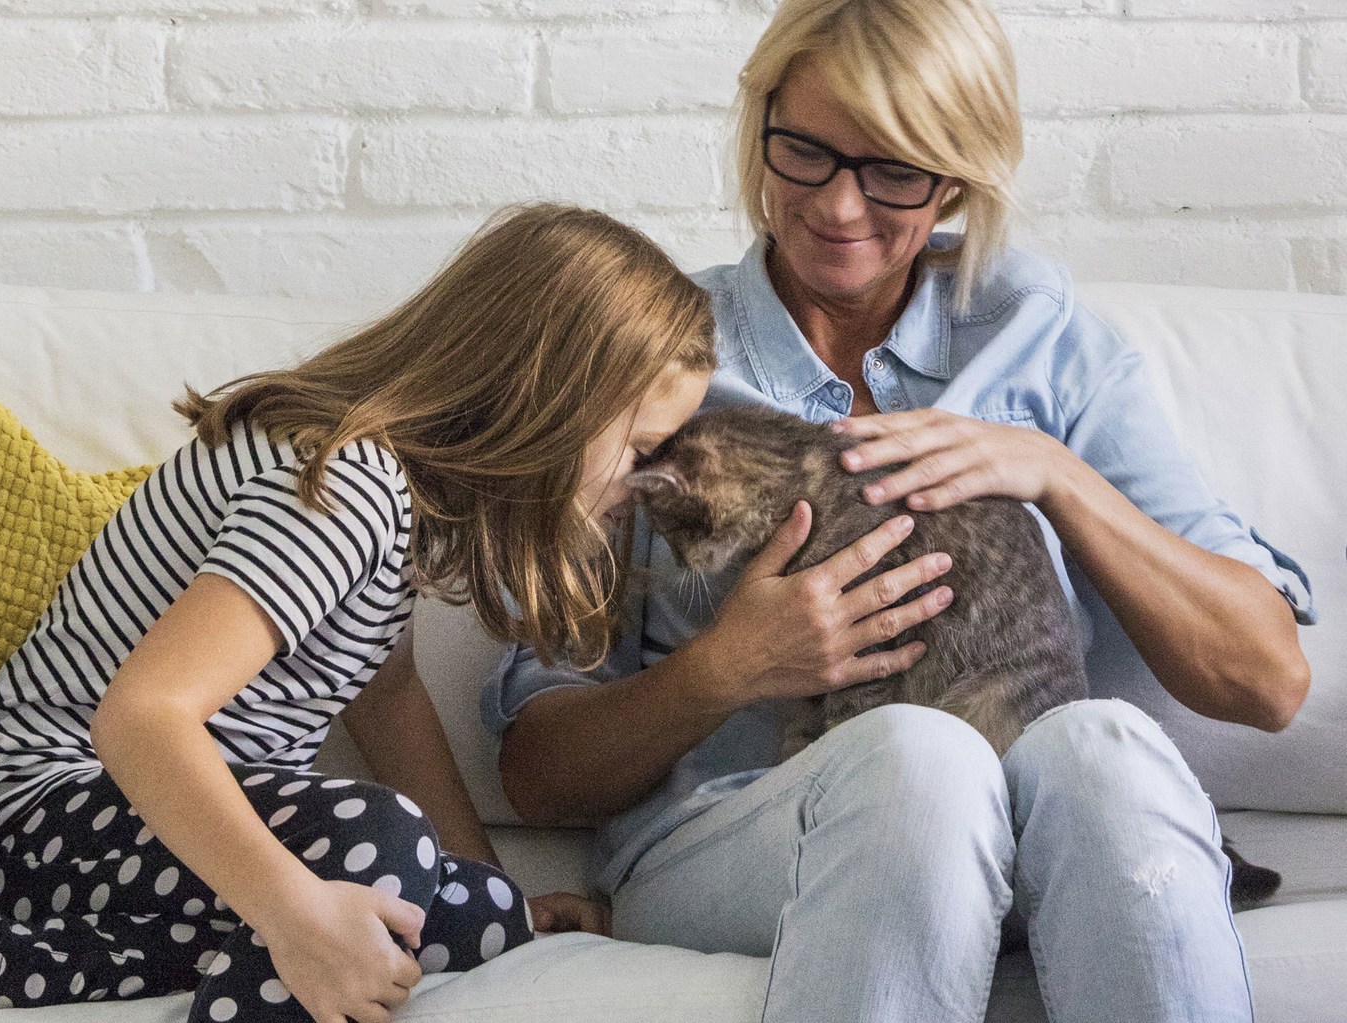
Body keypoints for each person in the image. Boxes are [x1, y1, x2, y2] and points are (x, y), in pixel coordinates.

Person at [486, 2, 1317, 1021]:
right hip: (742, 840)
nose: (838, 208)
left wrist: (1055, 474)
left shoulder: (1040, 342)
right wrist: (726, 669)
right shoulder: (657, 364)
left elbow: (1266, 680)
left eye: (893, 170)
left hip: (1047, 836)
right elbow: (537, 776)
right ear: (758, 132)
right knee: (921, 759)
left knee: (1100, 746)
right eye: (804, 153)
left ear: (959, 172)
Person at [0, 203, 716, 1020]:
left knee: (479, 917)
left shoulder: (408, 504)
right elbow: (141, 717)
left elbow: (387, 701)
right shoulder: (344, 483)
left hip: (136, 842)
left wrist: (504, 898)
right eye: (641, 452)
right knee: (376, 848)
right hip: (33, 819)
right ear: (555, 404)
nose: (646, 487)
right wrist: (292, 909)